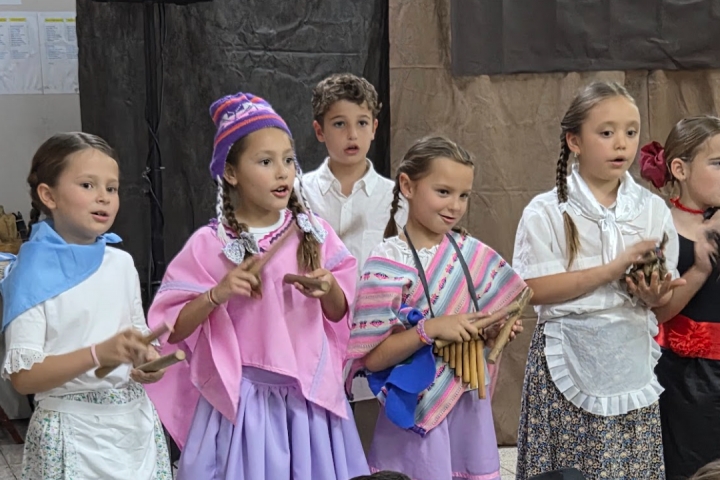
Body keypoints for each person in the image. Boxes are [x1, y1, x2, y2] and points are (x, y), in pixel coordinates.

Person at [144, 92, 369, 479]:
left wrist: (329, 287)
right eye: (266, 162)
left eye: (288, 160)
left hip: (308, 401)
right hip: (243, 404)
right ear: (231, 173)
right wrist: (216, 294)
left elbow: (339, 312)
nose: (282, 172)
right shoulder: (211, 245)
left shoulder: (314, 233)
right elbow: (173, 329)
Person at [513, 81, 685, 480]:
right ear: (574, 140)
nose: (621, 143)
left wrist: (655, 295)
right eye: (606, 133)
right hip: (568, 358)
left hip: (629, 359)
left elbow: (663, 298)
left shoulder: (652, 209)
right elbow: (530, 289)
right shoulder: (547, 210)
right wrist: (611, 270)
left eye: (631, 132)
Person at [346, 135, 526, 480]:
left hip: (468, 410)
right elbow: (373, 359)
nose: (455, 206)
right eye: (443, 192)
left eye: (464, 195)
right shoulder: (387, 262)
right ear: (407, 186)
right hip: (415, 410)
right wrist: (429, 329)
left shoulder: (472, 254)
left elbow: (476, 334)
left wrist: (489, 334)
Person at [0, 132, 171, 479]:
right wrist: (97, 354)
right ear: (48, 195)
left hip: (133, 428)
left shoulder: (121, 262)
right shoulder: (30, 274)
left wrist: (148, 360)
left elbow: (137, 336)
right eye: (87, 185)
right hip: (70, 430)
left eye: (112, 188)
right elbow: (24, 377)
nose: (103, 197)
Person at [302, 72, 407, 405]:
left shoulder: (396, 199)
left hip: (375, 340)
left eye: (362, 123)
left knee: (368, 425)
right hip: (311, 337)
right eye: (339, 124)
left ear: (374, 128)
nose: (352, 134)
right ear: (319, 130)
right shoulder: (297, 194)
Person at [638, 115, 720, 480]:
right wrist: (701, 268)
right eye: (718, 163)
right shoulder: (662, 229)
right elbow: (657, 313)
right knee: (692, 466)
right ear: (679, 169)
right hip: (686, 378)